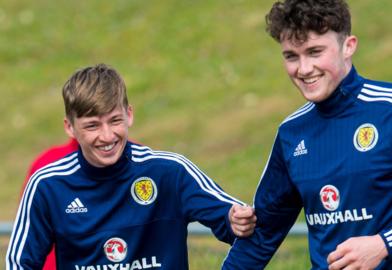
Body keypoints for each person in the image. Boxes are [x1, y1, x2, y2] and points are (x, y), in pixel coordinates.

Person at [222, 0, 392, 269]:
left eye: (315, 51)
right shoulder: (291, 133)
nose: (304, 68)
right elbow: (260, 236)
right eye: (291, 56)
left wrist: (385, 245)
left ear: (349, 46)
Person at [7, 63, 256, 269]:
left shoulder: (169, 172)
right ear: (69, 127)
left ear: (129, 114)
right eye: (92, 125)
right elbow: (19, 263)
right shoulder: (48, 185)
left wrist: (235, 220)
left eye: (115, 120)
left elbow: (233, 219)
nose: (107, 136)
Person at [21, 138, 79, 270]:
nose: (105, 136)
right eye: (91, 124)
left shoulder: (135, 164)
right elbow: (29, 222)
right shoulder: (47, 164)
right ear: (69, 124)